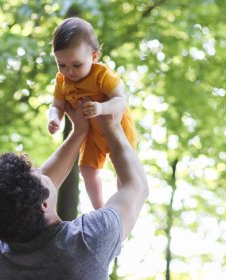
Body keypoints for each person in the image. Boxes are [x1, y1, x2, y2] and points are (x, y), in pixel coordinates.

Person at [0, 101, 148, 280]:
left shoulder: (2, 247)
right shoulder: (87, 241)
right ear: (44, 204)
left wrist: (79, 131)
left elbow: (28, 198)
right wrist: (112, 126)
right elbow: (137, 186)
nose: (43, 171)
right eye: (39, 173)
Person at [47, 17, 137, 209]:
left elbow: (121, 100)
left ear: (94, 56)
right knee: (87, 169)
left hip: (118, 129)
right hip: (91, 135)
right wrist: (54, 118)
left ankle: (124, 206)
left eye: (76, 65)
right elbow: (57, 105)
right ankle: (100, 209)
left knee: (123, 169)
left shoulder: (102, 74)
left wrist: (101, 108)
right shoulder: (62, 81)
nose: (68, 71)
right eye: (61, 64)